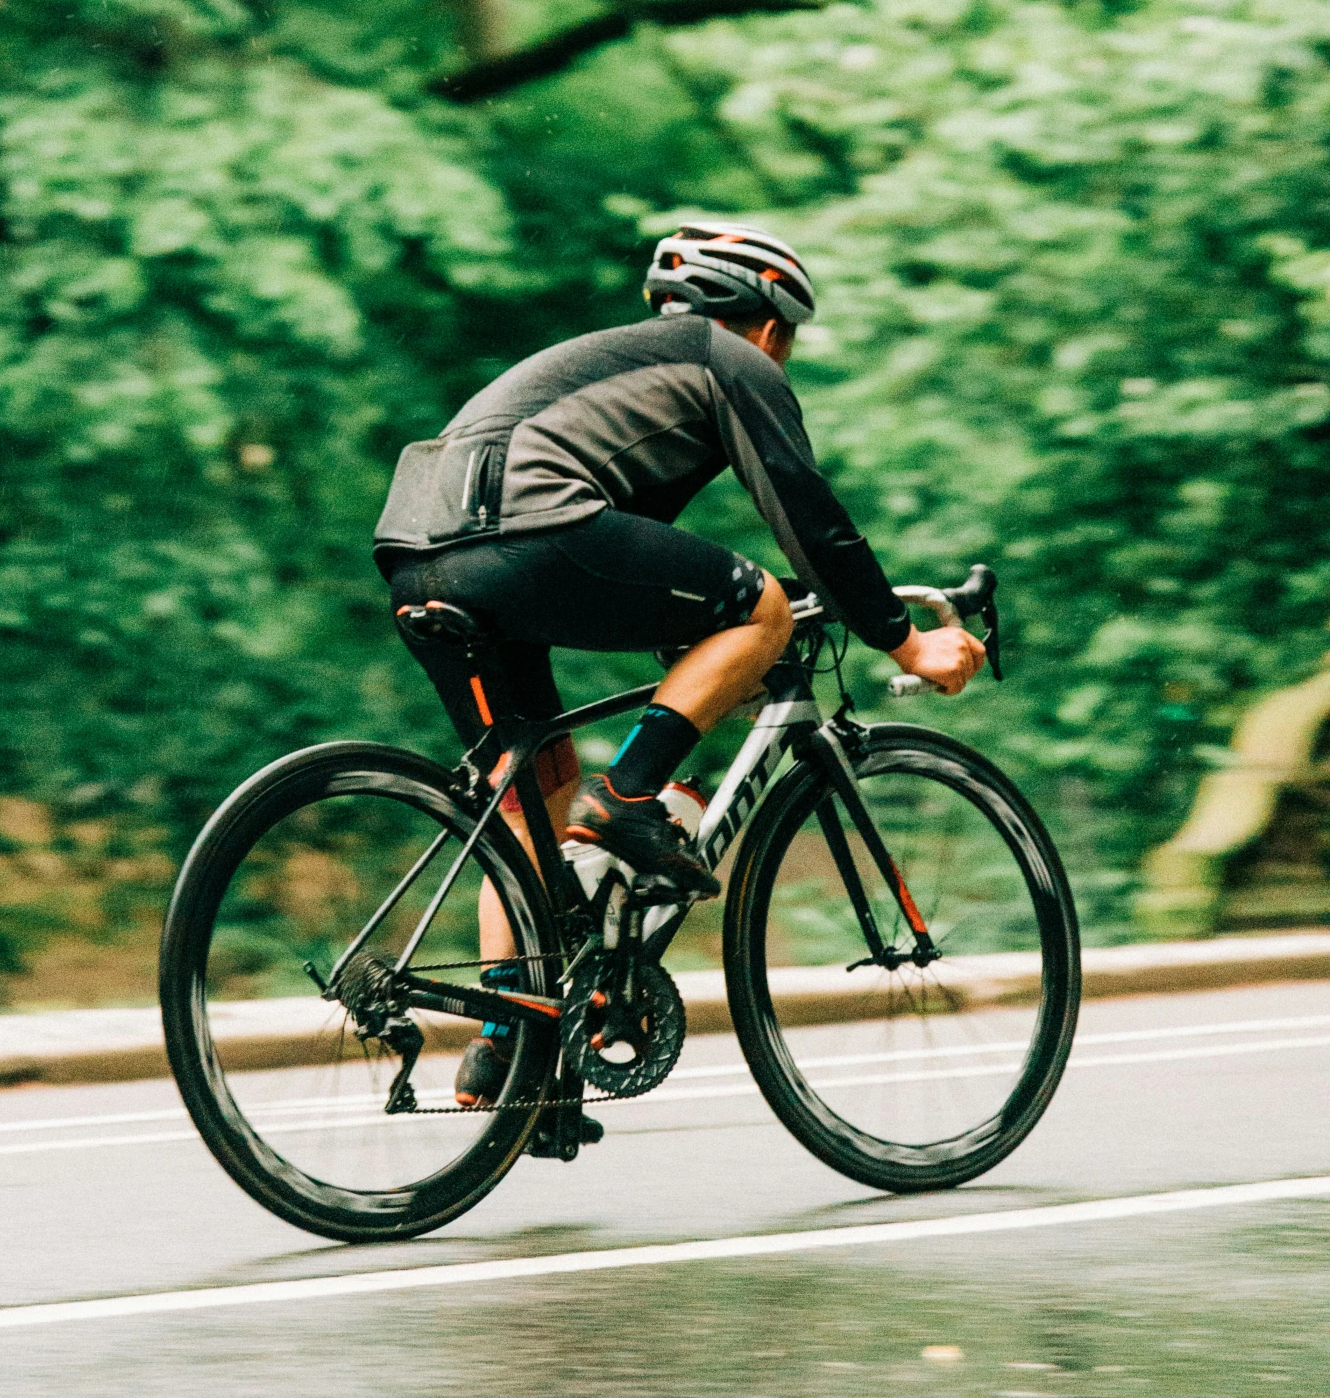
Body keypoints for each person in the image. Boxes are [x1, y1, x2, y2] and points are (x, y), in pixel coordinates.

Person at [375, 221, 985, 1107]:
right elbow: (809, 520)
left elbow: (643, 560)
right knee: (759, 607)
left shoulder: (616, 371)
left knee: (528, 798)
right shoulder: (731, 362)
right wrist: (903, 637)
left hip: (420, 557)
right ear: (772, 328)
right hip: (527, 534)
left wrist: (727, 647)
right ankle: (625, 801)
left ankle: (506, 1037)